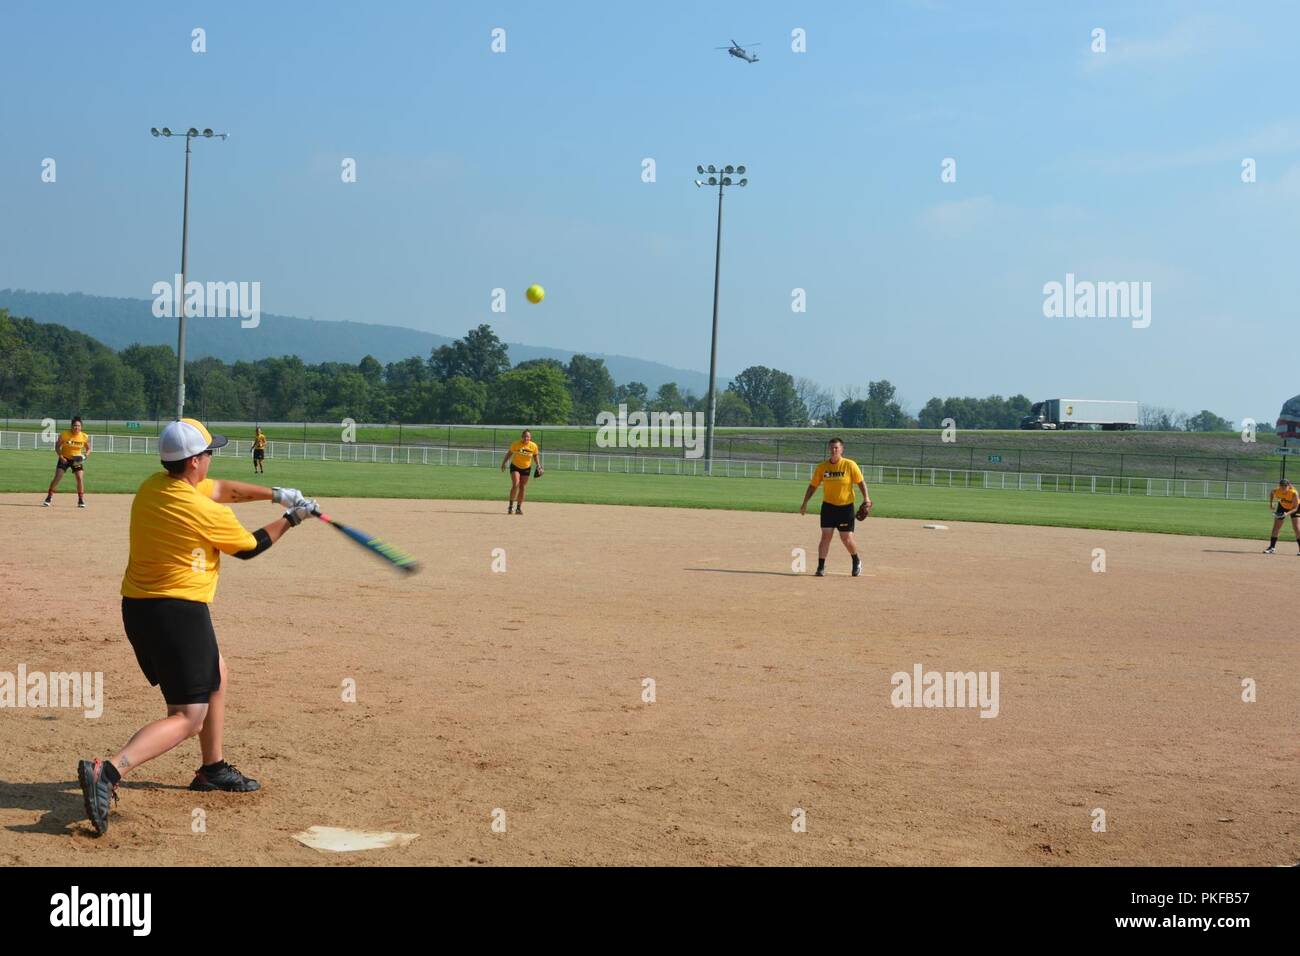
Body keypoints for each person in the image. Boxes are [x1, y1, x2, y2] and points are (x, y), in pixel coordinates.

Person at [76, 418, 318, 836]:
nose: (211, 458)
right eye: (208, 453)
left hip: (140, 608)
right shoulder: (199, 510)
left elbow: (222, 488)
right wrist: (292, 519)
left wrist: (275, 494)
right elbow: (250, 547)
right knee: (188, 716)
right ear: (192, 462)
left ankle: (212, 769)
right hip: (177, 613)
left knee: (217, 673)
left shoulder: (156, 486)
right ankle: (110, 770)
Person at [799, 437, 871, 577]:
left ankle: (856, 561)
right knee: (825, 536)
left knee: (846, 538)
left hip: (845, 508)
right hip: (828, 507)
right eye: (832, 448)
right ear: (829, 449)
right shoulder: (822, 467)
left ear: (842, 449)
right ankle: (820, 567)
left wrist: (866, 498)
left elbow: (861, 482)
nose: (834, 450)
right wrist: (805, 502)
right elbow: (813, 486)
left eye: (836, 448)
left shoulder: (850, 465)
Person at [43, 416, 91, 508]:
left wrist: (84, 456)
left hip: (76, 459)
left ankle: (80, 500)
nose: (76, 427)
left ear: (81, 427)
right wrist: (61, 457)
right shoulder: (64, 435)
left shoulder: (84, 436)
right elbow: (57, 447)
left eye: (78, 426)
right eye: (75, 425)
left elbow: (88, 449)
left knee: (80, 478)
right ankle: (49, 496)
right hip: (64, 458)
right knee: (58, 477)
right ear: (71, 426)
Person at [500, 428, 543, 515]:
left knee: (523, 487)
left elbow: (535, 455)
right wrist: (504, 463)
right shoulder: (516, 444)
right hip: (515, 466)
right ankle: (510, 506)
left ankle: (518, 508)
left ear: (530, 438)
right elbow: (509, 453)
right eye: (525, 436)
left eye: (528, 437)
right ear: (522, 437)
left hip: (526, 468)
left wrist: (538, 465)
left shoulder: (533, 446)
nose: (526, 438)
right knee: (516, 483)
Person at [1263, 477, 1300, 554]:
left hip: (1295, 508)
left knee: (1297, 528)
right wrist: (1271, 503)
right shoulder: (1277, 490)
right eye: (1281, 485)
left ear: (1289, 486)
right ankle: (1272, 548)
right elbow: (1272, 493)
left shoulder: (1293, 493)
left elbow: (1296, 508)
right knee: (1276, 527)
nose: (1283, 487)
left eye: (1285, 485)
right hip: (1282, 507)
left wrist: (1287, 514)